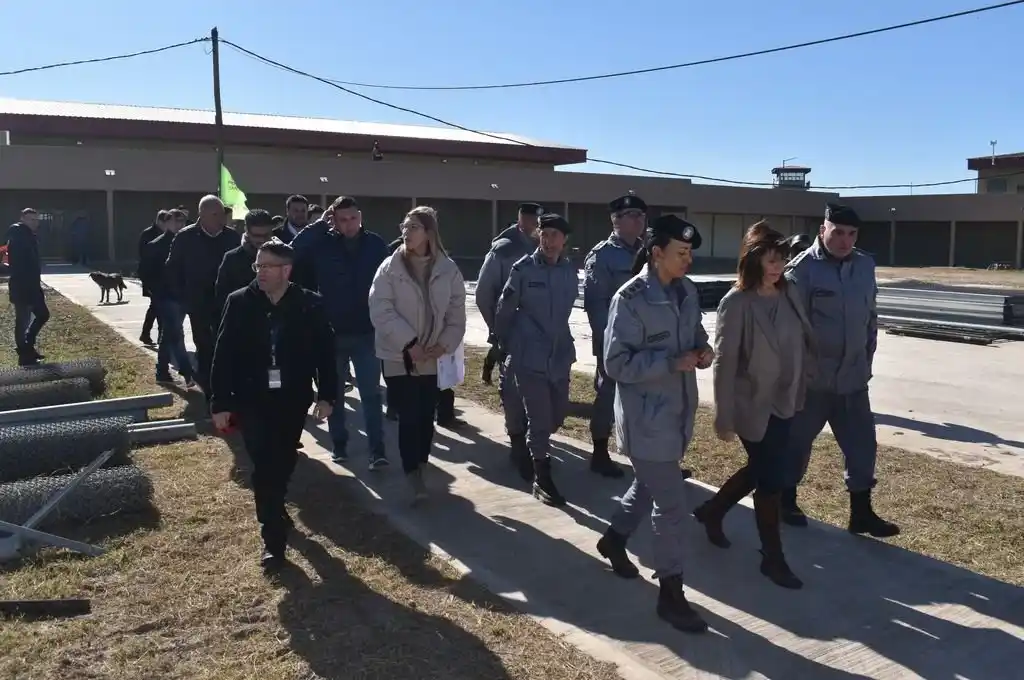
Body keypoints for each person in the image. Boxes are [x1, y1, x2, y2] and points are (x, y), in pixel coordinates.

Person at [595, 214, 712, 635]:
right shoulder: (630, 299)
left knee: (648, 486)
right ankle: (670, 593)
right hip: (646, 419)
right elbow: (615, 363)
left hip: (677, 414)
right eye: (681, 253)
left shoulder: (687, 291)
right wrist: (670, 362)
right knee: (672, 505)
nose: (688, 260)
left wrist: (703, 350)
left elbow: (695, 333)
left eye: (690, 253)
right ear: (657, 253)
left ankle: (614, 540)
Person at [695, 221, 815, 590]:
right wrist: (724, 414)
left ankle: (713, 511)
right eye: (770, 259)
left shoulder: (790, 292)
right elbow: (725, 362)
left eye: (781, 258)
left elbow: (802, 338)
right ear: (753, 260)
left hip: (786, 399)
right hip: (752, 404)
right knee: (771, 479)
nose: (778, 266)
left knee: (762, 470)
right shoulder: (736, 302)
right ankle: (772, 557)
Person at [209, 239, 337, 572]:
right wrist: (220, 403)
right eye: (258, 265)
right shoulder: (240, 302)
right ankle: (273, 541)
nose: (260, 272)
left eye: (267, 266)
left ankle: (275, 503)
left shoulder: (309, 304)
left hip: (292, 397)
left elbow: (325, 353)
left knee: (283, 458)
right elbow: (223, 354)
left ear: (286, 270)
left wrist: (327, 395)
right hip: (251, 398)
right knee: (264, 466)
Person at [780, 203, 900, 538]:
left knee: (863, 445)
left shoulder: (864, 265)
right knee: (796, 444)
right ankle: (785, 501)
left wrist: (867, 361)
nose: (845, 240)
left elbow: (870, 318)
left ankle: (861, 513)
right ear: (823, 230)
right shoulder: (801, 270)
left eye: (851, 234)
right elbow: (789, 329)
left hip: (853, 379)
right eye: (838, 232)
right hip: (812, 382)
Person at [369, 206, 466, 501]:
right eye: (404, 226)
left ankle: (421, 462)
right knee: (409, 415)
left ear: (429, 232)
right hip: (400, 356)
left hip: (433, 357)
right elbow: (380, 308)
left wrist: (444, 344)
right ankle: (412, 473)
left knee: (425, 416)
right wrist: (409, 343)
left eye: (413, 227)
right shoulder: (390, 267)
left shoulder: (448, 269)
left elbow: (456, 312)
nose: (405, 232)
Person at [291, 196, 389, 469]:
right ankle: (340, 444)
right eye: (342, 219)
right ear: (333, 220)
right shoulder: (323, 244)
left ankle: (377, 450)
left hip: (366, 331)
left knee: (371, 395)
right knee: (333, 394)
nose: (349, 224)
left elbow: (389, 280)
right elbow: (292, 251)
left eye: (353, 218)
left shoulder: (375, 244)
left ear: (361, 217)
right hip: (331, 332)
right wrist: (317, 227)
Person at [493, 213, 577, 506]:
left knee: (557, 415)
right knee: (540, 418)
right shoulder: (523, 269)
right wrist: (502, 343)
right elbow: (505, 309)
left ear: (564, 240)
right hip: (529, 354)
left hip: (559, 354)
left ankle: (527, 444)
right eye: (544, 234)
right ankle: (542, 477)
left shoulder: (569, 271)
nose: (549, 241)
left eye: (555, 235)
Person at [582, 192, 648, 478]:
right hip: (615, 341)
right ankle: (600, 452)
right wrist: (608, 342)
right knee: (608, 395)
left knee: (646, 400)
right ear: (615, 220)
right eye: (632, 216)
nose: (639, 221)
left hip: (646, 340)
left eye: (641, 216)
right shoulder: (602, 256)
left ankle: (649, 461)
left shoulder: (649, 252)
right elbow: (595, 305)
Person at [475, 202, 543, 480]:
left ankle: (531, 439)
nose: (537, 226)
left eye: (539, 221)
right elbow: (483, 293)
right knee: (513, 389)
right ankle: (518, 444)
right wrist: (496, 329)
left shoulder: (545, 246)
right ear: (521, 220)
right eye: (532, 221)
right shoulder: (503, 250)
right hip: (511, 330)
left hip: (541, 335)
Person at [164, 195, 241, 404]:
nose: (220, 219)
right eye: (215, 215)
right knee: (205, 348)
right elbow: (172, 269)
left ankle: (229, 388)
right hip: (198, 304)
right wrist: (184, 296)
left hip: (227, 303)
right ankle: (210, 393)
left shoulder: (231, 237)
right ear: (202, 215)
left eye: (222, 214)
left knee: (227, 346)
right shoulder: (185, 237)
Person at [140, 209, 195, 387]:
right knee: (177, 334)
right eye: (175, 221)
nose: (179, 225)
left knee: (168, 334)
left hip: (183, 296)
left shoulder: (188, 244)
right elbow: (145, 272)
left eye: (182, 221)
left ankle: (162, 371)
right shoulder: (156, 245)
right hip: (166, 297)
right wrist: (156, 292)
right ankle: (188, 372)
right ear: (167, 222)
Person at [6, 208, 48, 366]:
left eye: (36, 220)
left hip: (33, 285)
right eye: (31, 219)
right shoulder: (18, 235)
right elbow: (18, 264)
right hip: (22, 286)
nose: (35, 223)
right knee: (22, 321)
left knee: (43, 314)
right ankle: (24, 354)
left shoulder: (30, 235)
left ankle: (28, 344)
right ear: (22, 219)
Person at [214, 209, 276, 316]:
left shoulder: (282, 256)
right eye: (257, 236)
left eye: (266, 235)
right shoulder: (232, 259)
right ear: (246, 230)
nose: (262, 240)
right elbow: (222, 297)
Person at [137, 213, 165, 345]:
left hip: (161, 277)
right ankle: (154, 334)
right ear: (159, 221)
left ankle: (148, 334)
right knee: (156, 307)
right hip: (152, 277)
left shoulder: (165, 233)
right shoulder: (148, 234)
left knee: (156, 307)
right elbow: (143, 255)